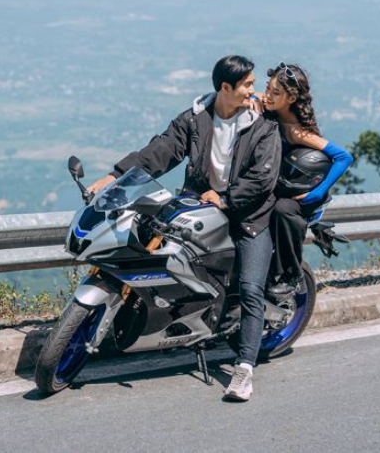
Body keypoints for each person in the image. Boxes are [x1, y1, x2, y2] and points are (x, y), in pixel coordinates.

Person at [86, 55, 281, 402]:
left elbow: (262, 179)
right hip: (199, 205)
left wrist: (224, 198)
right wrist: (115, 177)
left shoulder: (262, 124)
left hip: (249, 216)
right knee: (156, 250)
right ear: (226, 87)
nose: (255, 91)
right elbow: (161, 150)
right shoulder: (196, 118)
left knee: (251, 289)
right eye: (248, 84)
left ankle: (244, 371)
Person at [257, 62, 353, 296]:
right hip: (279, 183)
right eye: (267, 88)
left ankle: (292, 275)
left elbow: (343, 156)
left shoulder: (294, 130)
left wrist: (319, 192)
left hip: (298, 193)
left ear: (290, 99)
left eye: (275, 93)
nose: (268, 95)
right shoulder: (267, 104)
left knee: (282, 210)